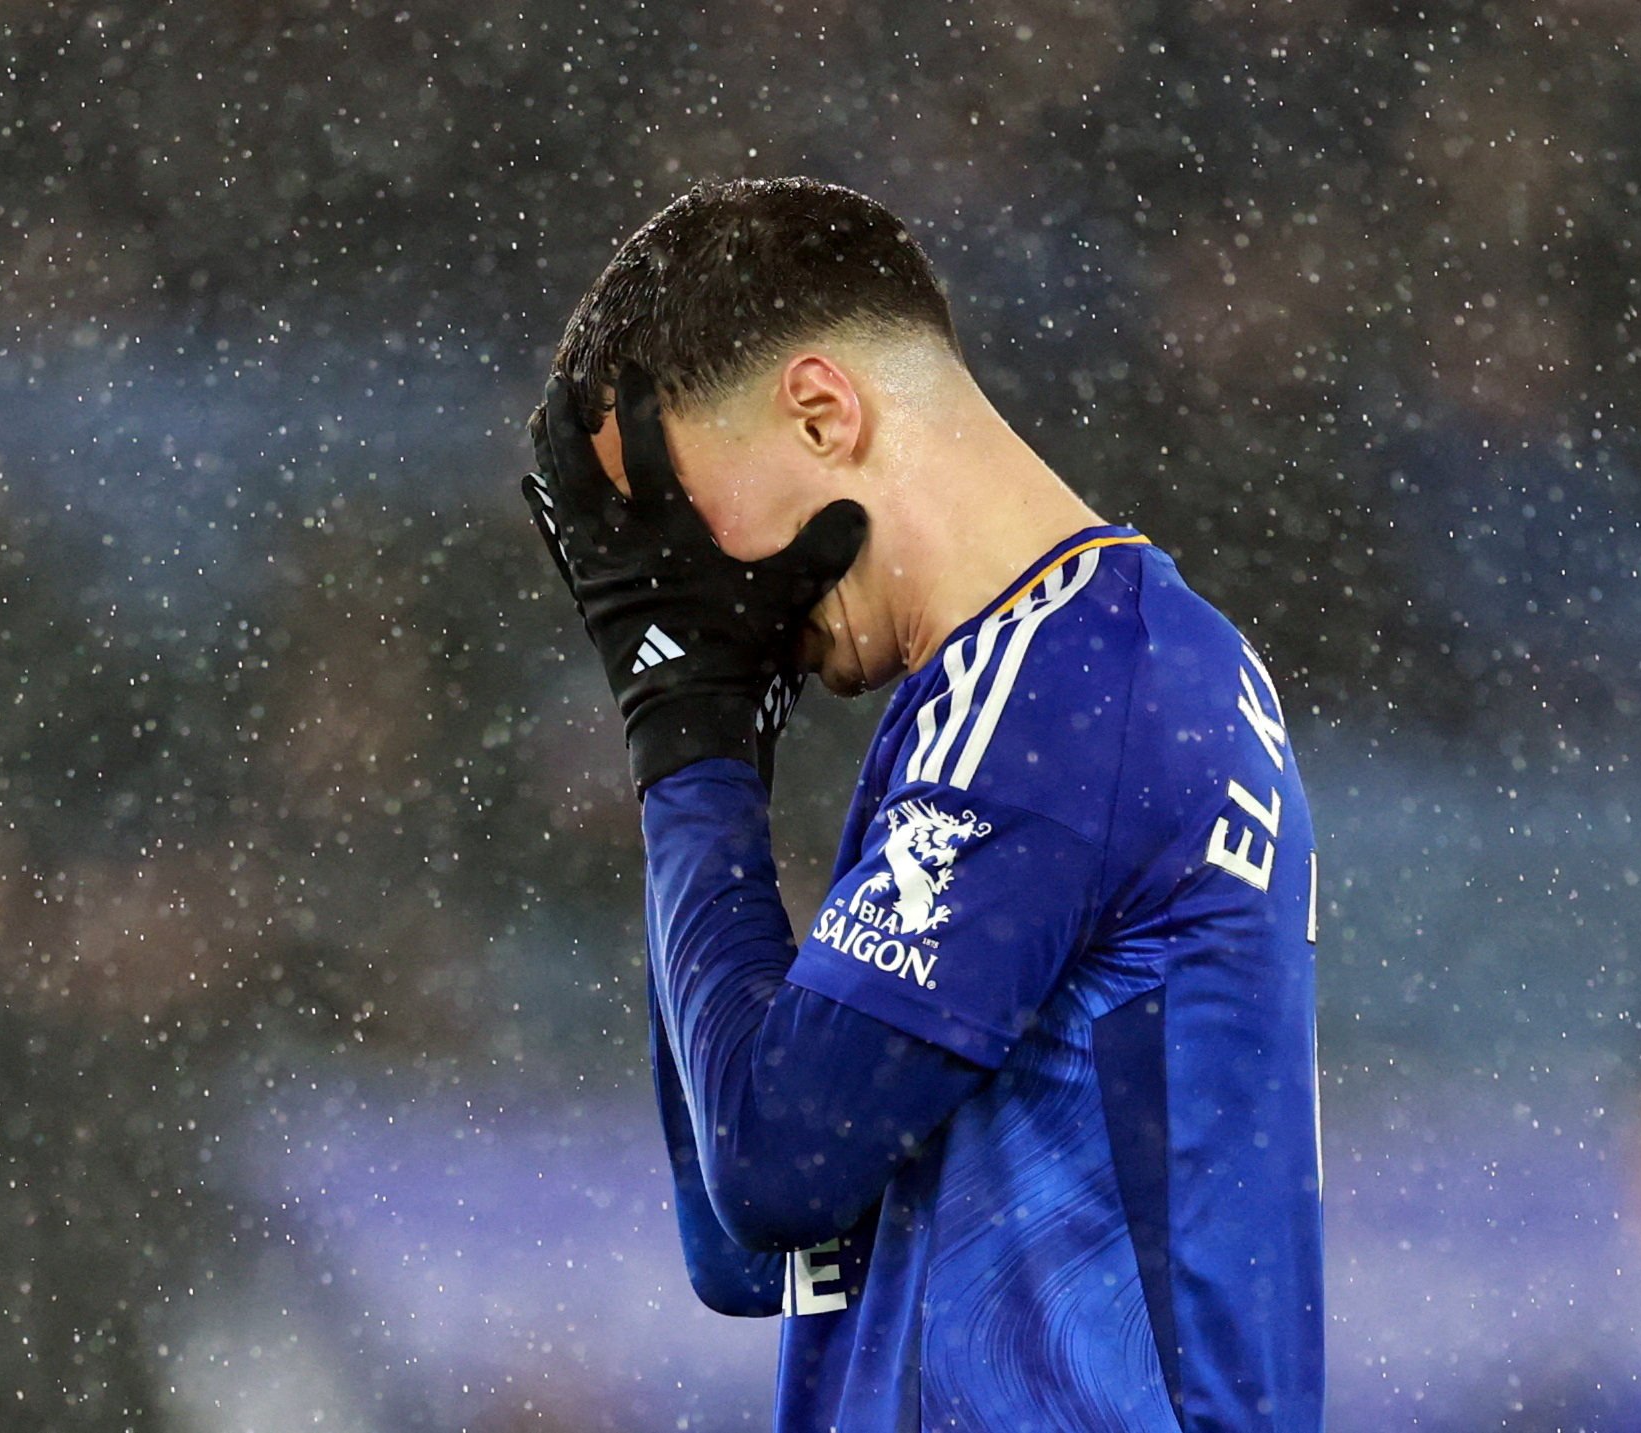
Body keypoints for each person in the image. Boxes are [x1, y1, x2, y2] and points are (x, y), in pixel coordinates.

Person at [518, 177, 1323, 1432]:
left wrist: (683, 738)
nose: (680, 576)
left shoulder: (1064, 685)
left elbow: (777, 1164)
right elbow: (751, 1244)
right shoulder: (1070, 674)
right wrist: (706, 736)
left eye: (682, 508)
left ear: (823, 412)